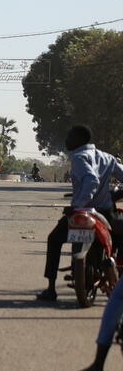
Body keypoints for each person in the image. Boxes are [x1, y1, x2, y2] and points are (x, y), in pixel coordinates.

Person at [36, 125, 123, 302]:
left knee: (54, 240)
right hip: (105, 211)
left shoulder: (78, 157)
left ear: (79, 139)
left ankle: (51, 288)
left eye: (70, 136)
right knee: (119, 238)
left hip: (82, 211)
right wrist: (117, 194)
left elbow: (91, 180)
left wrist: (77, 205)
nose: (67, 140)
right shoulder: (107, 157)